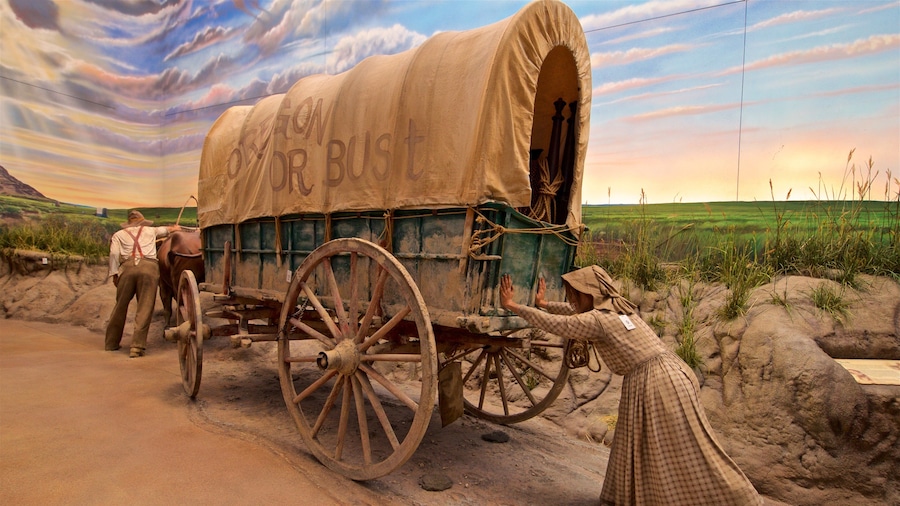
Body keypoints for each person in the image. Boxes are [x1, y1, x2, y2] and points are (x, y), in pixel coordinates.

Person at [499, 266, 762, 505]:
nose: (574, 300)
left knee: (686, 446)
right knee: (643, 439)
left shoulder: (599, 320)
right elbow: (575, 314)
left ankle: (736, 497)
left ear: (589, 293)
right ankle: (639, 497)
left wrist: (514, 306)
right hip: (670, 372)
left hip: (657, 381)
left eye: (576, 294)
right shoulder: (619, 308)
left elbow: (565, 324)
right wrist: (545, 304)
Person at [106, 210, 180, 358]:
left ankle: (111, 343)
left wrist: (114, 274)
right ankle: (137, 347)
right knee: (145, 307)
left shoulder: (118, 235)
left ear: (128, 223)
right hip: (149, 269)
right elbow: (168, 230)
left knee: (120, 306)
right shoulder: (150, 230)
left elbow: (114, 254)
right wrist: (175, 227)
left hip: (127, 269)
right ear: (142, 221)